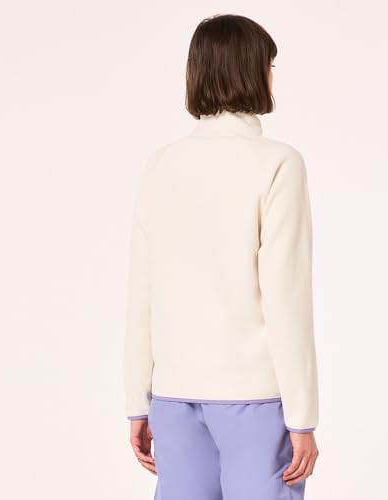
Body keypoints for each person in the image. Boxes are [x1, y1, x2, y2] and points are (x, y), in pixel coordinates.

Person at [123, 13, 320, 500]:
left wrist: (137, 403)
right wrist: (302, 418)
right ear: (254, 72)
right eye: (270, 66)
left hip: (172, 398)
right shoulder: (278, 163)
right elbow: (286, 298)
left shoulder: (161, 164)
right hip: (253, 399)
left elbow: (142, 294)